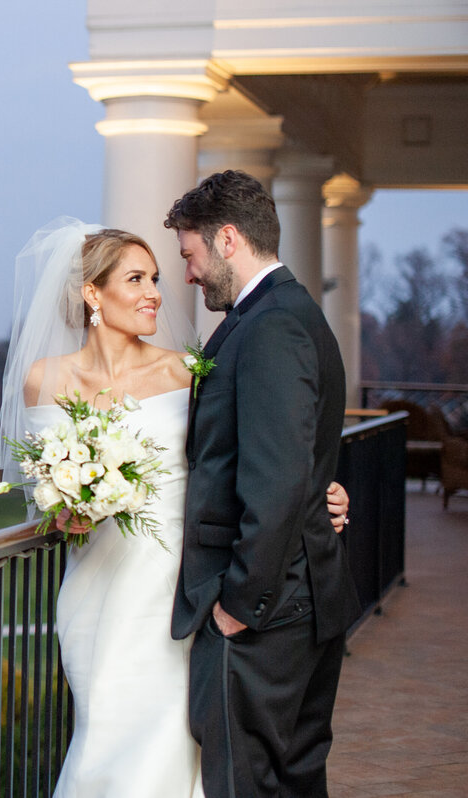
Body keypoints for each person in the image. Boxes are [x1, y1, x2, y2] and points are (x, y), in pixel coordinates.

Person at [0, 218, 349, 798]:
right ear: (92, 294)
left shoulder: (185, 370)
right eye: (136, 278)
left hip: (177, 590)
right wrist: (67, 509)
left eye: (157, 276)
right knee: (103, 729)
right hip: (96, 589)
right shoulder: (42, 380)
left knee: (172, 740)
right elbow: (42, 492)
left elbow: (253, 455)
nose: (156, 291)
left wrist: (318, 497)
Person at [164, 170, 362, 798]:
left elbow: (274, 481)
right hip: (303, 596)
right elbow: (300, 457)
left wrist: (236, 608)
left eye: (190, 255)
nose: (188, 276)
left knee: (243, 784)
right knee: (296, 780)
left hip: (268, 611)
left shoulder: (271, 326)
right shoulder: (293, 312)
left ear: (227, 240)